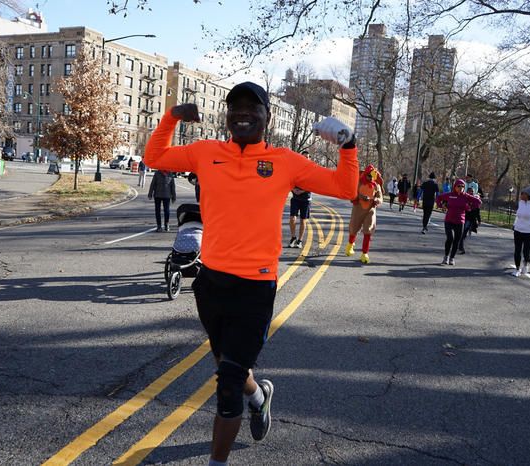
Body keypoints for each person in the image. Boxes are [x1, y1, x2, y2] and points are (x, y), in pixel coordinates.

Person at [143, 81, 359, 466]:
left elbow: (345, 188)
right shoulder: (205, 152)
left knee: (226, 384)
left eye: (252, 107)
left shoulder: (284, 161)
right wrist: (172, 117)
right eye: (235, 107)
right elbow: (155, 156)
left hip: (255, 288)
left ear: (267, 116)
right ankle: (259, 396)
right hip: (210, 284)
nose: (242, 112)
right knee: (229, 365)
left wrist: (348, 145)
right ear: (228, 115)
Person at [435, 178, 482, 265]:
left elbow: (478, 202)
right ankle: (446, 257)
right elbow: (438, 197)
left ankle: (452, 258)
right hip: (449, 220)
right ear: (455, 187)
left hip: (460, 221)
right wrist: (441, 205)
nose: (461, 188)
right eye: (459, 186)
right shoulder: (450, 195)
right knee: (450, 238)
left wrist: (470, 207)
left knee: (457, 240)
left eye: (463, 186)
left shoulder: (466, 196)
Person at [345, 164, 383, 263]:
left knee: (368, 230)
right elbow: (352, 194)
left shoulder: (376, 186)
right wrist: (360, 197)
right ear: (366, 175)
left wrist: (376, 200)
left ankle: (364, 253)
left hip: (370, 210)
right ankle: (350, 245)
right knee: (354, 227)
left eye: (372, 176)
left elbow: (380, 198)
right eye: (369, 176)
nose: (371, 178)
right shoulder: (359, 183)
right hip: (358, 208)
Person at [288, 150, 312, 248]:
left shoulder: (311, 170)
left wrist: (302, 191)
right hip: (295, 198)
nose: (305, 159)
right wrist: (293, 189)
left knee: (303, 220)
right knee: (292, 219)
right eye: (303, 157)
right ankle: (293, 237)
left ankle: (300, 240)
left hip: (306, 199)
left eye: (307, 157)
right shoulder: (295, 169)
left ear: (309, 159)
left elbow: (313, 184)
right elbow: (289, 181)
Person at [458, 187, 481, 254]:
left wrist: (479, 220)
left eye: (472, 192)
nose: (471, 193)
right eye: (469, 191)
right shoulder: (464, 199)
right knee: (462, 233)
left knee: (464, 233)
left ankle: (460, 246)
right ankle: (460, 247)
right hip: (462, 218)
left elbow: (477, 211)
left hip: (470, 219)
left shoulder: (474, 200)